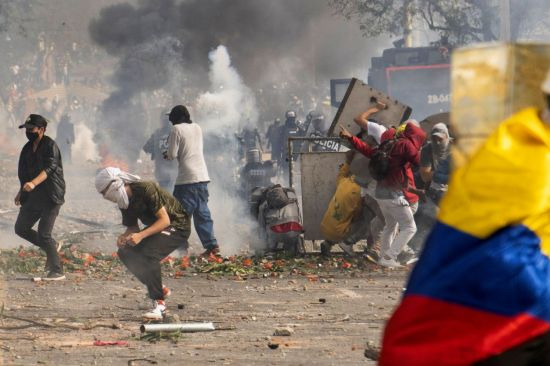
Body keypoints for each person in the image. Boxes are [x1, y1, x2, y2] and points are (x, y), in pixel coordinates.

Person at [95, 167, 190, 320]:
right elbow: (132, 227)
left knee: (149, 255)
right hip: (158, 228)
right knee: (125, 252)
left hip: (177, 225)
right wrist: (124, 237)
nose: (104, 196)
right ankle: (159, 290)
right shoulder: (124, 201)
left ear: (113, 185)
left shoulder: (146, 188)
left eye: (103, 192)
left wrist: (141, 235)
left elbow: (165, 220)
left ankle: (160, 305)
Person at [341, 120, 426, 267]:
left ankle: (383, 258)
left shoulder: (387, 145)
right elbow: (419, 162)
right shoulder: (405, 145)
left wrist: (350, 137)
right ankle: (389, 257)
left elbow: (366, 150)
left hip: (380, 194)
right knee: (410, 227)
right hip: (394, 195)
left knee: (390, 226)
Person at [14, 114, 66, 280]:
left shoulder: (50, 145)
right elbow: (23, 172)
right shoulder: (27, 148)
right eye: (26, 129)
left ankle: (57, 271)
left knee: (44, 234)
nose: (28, 132)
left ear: (42, 130)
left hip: (51, 195)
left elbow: (50, 168)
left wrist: (34, 183)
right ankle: (52, 246)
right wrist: (21, 191)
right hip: (34, 196)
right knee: (21, 228)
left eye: (32, 129)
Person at [165, 105, 220, 256]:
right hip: (202, 177)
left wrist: (166, 152)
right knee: (202, 213)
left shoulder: (176, 129)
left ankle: (181, 248)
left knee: (179, 215)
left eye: (171, 117)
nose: (170, 120)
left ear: (176, 117)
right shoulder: (197, 127)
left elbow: (171, 154)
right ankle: (212, 247)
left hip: (186, 179)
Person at [320, 150, 375, 257]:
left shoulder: (343, 181)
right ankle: (348, 243)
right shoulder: (360, 192)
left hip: (324, 227)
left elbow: (341, 173)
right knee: (370, 221)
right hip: (338, 232)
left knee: (340, 219)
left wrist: (348, 162)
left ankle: (327, 243)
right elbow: (357, 213)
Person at [143, 113, 178, 193]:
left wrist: (156, 149)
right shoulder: (178, 133)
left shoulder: (157, 134)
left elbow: (146, 148)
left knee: (166, 196)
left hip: (162, 174)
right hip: (176, 173)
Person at [419, 123, 452, 205]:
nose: (437, 142)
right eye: (434, 139)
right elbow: (425, 177)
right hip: (435, 189)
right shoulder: (427, 150)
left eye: (440, 139)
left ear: (447, 137)